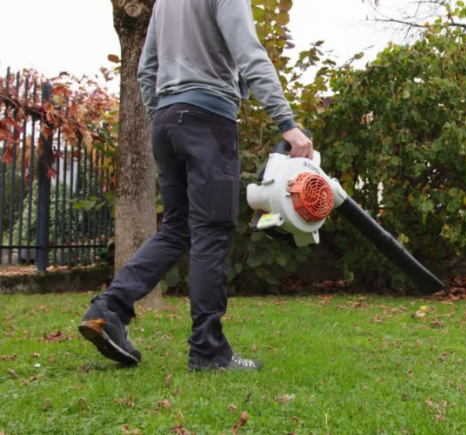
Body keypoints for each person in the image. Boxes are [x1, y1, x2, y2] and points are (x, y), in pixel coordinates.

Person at [78, 0, 313, 372]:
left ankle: (108, 309)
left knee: (176, 229)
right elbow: (250, 54)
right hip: (209, 123)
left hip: (167, 122)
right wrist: (287, 122)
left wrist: (163, 116)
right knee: (211, 232)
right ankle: (208, 352)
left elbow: (146, 69)